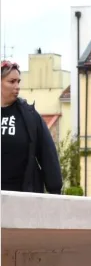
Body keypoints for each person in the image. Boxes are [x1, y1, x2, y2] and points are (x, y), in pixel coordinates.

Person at [1, 60, 63, 194]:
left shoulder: (30, 115)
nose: (17, 86)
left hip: (23, 197)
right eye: (11, 82)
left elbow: (48, 155)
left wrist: (55, 191)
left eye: (18, 81)